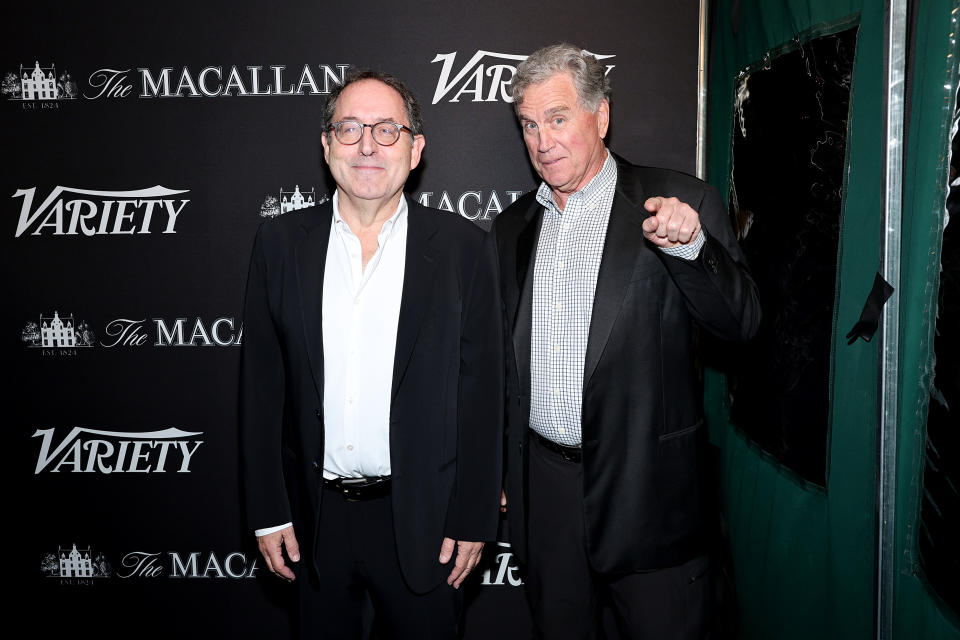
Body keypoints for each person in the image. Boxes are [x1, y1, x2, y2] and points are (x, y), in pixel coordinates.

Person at [493, 44, 761, 639]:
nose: (542, 141)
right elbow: (502, 369)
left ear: (601, 116)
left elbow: (741, 326)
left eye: (558, 119)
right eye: (530, 125)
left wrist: (692, 250)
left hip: (653, 494)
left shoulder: (678, 203)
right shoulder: (512, 226)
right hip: (548, 495)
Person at [240, 69, 503, 639]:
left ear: (416, 150)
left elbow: (483, 396)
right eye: (350, 127)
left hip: (425, 524)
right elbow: (261, 391)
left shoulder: (464, 250)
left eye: (387, 130)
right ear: (326, 145)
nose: (366, 145)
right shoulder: (280, 245)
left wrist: (473, 516)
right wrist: (268, 509)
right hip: (315, 523)